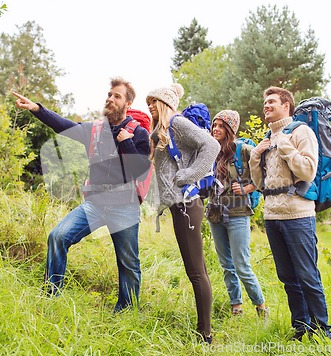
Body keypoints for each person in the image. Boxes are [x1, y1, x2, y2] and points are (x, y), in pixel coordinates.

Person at [12, 77, 151, 313]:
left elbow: (139, 170)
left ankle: (127, 311)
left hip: (124, 207)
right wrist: (37, 109)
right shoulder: (94, 129)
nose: (110, 99)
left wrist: (126, 143)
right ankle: (51, 296)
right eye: (109, 94)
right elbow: (63, 125)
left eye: (117, 96)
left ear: (127, 103)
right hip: (95, 203)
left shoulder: (138, 134)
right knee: (58, 236)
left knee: (129, 263)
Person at [249, 86, 331, 341]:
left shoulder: (301, 132)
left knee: (307, 275)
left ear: (286, 105)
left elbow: (308, 170)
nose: (266, 105)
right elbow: (260, 184)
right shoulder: (267, 138)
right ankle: (301, 327)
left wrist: (285, 146)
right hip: (273, 217)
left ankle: (323, 331)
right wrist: (255, 156)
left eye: (271, 101)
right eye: (265, 102)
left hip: (298, 215)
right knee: (287, 277)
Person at [146, 83, 220, 344]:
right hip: (182, 206)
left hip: (187, 205)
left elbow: (211, 146)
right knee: (197, 269)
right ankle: (205, 329)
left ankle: (205, 336)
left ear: (165, 103)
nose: (150, 106)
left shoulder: (177, 122)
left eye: (154, 101)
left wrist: (189, 174)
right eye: (148, 102)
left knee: (196, 271)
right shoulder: (163, 131)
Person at [205, 110, 269, 318]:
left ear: (230, 129)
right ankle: (236, 307)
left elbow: (268, 171)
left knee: (241, 265)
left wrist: (249, 188)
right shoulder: (211, 151)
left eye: (221, 126)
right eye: (215, 125)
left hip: (238, 214)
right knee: (226, 265)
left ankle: (261, 307)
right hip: (215, 214)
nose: (216, 129)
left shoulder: (243, 150)